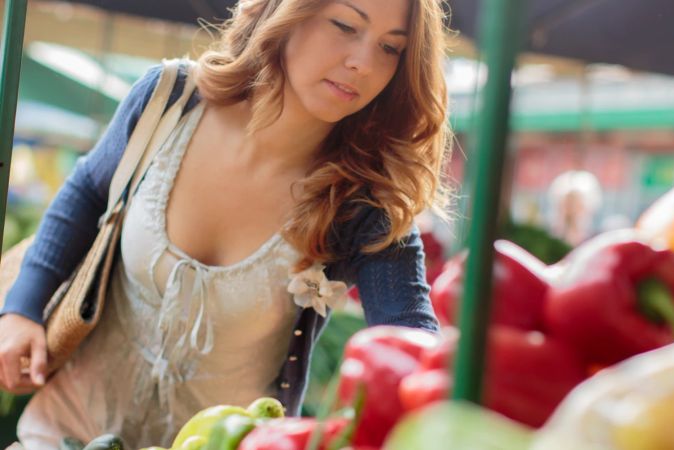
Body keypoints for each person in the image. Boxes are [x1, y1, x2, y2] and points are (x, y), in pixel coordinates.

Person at [0, 0, 450, 447]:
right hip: (62, 432)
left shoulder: (366, 204)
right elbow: (87, 192)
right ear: (286, 12)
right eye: (345, 25)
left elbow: (411, 345)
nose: (363, 63)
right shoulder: (168, 101)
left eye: (391, 50)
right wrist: (21, 308)